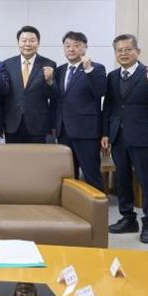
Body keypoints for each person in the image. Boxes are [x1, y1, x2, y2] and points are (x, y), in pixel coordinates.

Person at [102, 34, 148, 244]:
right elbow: (109, 106)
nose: (123, 53)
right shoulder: (112, 76)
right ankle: (128, 218)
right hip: (118, 136)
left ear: (137, 51)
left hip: (144, 136)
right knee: (122, 180)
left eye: (128, 49)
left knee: (147, 182)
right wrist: (105, 133)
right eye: (119, 50)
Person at [54, 31, 106, 190]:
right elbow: (57, 100)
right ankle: (72, 205)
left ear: (85, 48)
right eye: (67, 45)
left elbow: (100, 91)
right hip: (63, 131)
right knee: (68, 176)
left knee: (91, 175)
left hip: (86, 132)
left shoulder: (96, 68)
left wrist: (88, 70)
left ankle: (96, 206)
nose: (71, 49)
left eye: (76, 45)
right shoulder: (60, 70)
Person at [2, 25, 58, 143]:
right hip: (13, 123)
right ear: (18, 43)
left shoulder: (49, 64)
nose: (27, 44)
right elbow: (3, 94)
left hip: (38, 124)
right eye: (24, 40)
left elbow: (53, 95)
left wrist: (50, 81)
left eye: (32, 40)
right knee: (13, 154)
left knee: (37, 155)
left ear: (38, 43)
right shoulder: (7, 64)